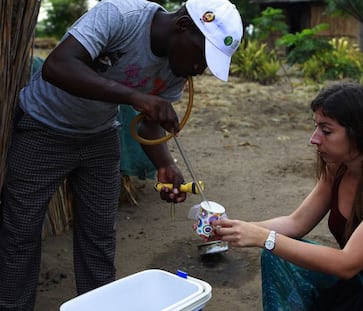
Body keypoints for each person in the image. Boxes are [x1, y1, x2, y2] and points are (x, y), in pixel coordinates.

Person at [0, 0, 243, 309]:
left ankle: (100, 305)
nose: (200, 69)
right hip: (44, 128)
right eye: (201, 57)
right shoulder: (120, 16)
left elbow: (151, 122)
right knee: (20, 235)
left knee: (99, 238)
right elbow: (57, 66)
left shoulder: (176, 68)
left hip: (99, 137)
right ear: (182, 27)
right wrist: (134, 97)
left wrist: (164, 164)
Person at [213, 83, 363, 310]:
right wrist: (232, 229)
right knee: (277, 256)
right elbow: (295, 223)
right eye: (316, 127)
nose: (314, 139)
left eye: (326, 131)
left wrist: (264, 238)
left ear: (360, 135)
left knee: (274, 245)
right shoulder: (338, 168)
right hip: (358, 286)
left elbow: (348, 263)